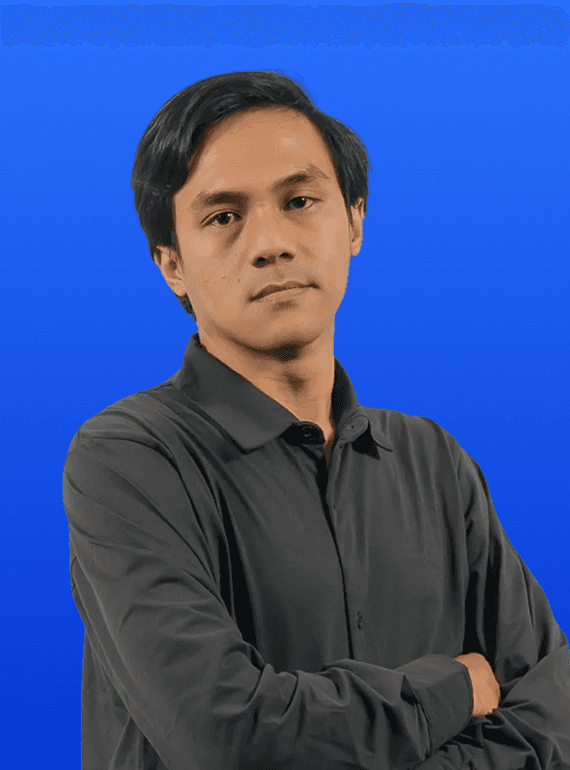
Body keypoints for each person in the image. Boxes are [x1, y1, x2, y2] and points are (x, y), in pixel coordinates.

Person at [62, 70, 570, 770]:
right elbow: (224, 736)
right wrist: (448, 689)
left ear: (354, 221)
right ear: (171, 264)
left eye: (300, 201)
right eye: (223, 216)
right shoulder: (128, 459)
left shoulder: (434, 462)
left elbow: (553, 712)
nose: (270, 242)